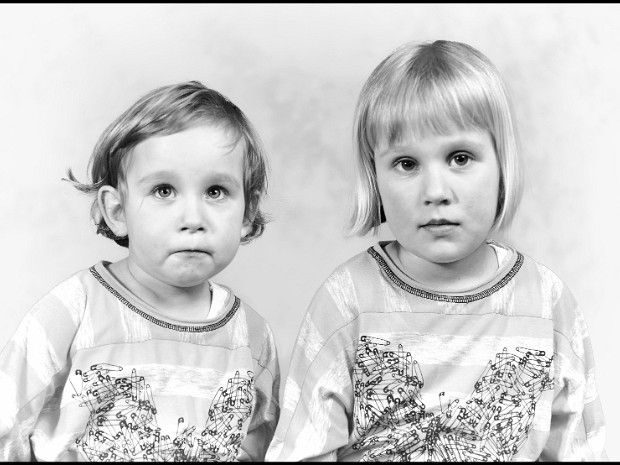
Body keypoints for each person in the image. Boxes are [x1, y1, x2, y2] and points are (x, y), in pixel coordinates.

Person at [266, 40, 606, 461]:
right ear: (375, 178)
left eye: (460, 158)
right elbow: (302, 449)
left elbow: (579, 448)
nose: (435, 191)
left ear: (503, 165)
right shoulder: (347, 300)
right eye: (407, 164)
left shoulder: (546, 302)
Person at [0, 81, 280, 461]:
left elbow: (261, 446)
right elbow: (7, 421)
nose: (193, 218)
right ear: (117, 211)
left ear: (247, 213)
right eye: (164, 190)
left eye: (215, 191)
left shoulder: (251, 336)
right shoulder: (74, 311)